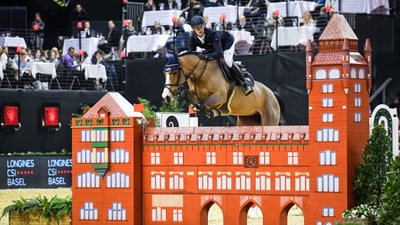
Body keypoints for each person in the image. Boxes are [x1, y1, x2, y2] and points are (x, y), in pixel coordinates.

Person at [188, 15, 253, 95]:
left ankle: (245, 84)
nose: (200, 30)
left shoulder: (212, 34)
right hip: (212, 47)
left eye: (201, 27)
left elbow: (219, 53)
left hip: (227, 43)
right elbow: (191, 54)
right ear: (193, 29)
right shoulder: (192, 38)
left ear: (204, 26)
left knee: (228, 61)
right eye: (197, 28)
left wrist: (205, 56)